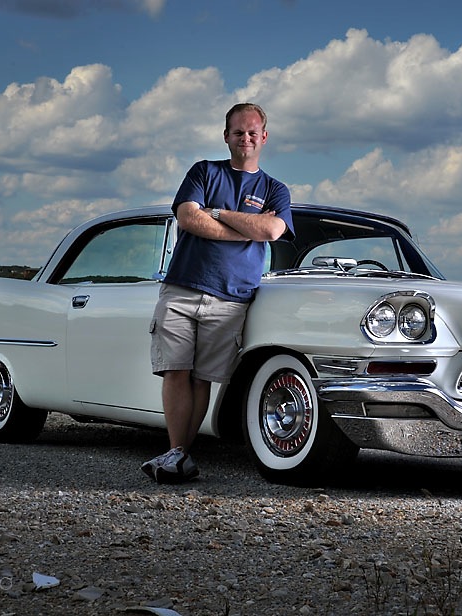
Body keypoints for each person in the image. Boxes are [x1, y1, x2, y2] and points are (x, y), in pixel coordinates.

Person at [142, 103, 294, 483]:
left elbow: (274, 230)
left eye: (252, 132)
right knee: (175, 371)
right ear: (226, 136)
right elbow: (188, 217)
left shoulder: (275, 188)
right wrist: (247, 228)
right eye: (238, 132)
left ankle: (179, 455)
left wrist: (221, 213)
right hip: (182, 287)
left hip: (232, 297)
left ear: (264, 137)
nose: (246, 138)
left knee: (202, 378)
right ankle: (177, 453)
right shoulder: (204, 171)